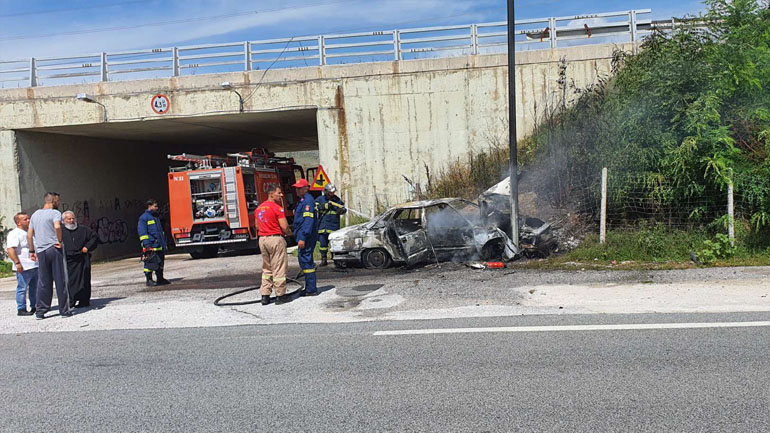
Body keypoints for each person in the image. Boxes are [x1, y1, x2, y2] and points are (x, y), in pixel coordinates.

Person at [27, 192, 71, 319]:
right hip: (53, 248)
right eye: (58, 200)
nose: (59, 203)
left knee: (43, 281)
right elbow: (57, 227)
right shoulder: (55, 213)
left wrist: (31, 251)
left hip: (41, 250)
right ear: (53, 201)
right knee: (61, 279)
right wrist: (60, 241)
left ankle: (40, 311)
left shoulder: (35, 215)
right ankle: (64, 310)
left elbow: (29, 235)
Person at [256, 185, 293, 305]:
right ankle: (280, 295)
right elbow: (285, 227)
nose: (281, 195)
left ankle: (265, 295)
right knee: (279, 268)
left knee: (267, 268)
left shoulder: (259, 208)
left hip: (262, 239)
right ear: (271, 194)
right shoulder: (278, 208)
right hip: (275, 239)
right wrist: (291, 234)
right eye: (279, 193)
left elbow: (257, 226)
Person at [62, 211, 98, 308]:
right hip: (68, 260)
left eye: (73, 218)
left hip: (82, 259)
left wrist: (87, 247)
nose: (71, 220)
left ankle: (84, 300)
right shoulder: (60, 231)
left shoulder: (83, 229)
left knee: (84, 280)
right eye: (69, 219)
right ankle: (71, 301)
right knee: (69, 281)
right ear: (64, 221)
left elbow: (94, 237)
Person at [5, 212, 38, 316]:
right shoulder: (14, 233)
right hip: (24, 266)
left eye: (28, 218)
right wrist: (17, 263)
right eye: (25, 219)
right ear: (18, 222)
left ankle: (35, 306)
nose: (28, 220)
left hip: (35, 265)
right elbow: (11, 249)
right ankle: (21, 308)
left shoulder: (29, 232)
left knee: (35, 288)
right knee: (22, 288)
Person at [292, 178, 318, 296]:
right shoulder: (302, 200)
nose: (297, 190)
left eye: (299, 188)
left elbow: (308, 222)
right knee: (304, 260)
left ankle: (311, 289)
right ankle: (309, 287)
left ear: (306, 189)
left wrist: (303, 237)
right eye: (296, 188)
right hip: (302, 235)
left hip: (306, 236)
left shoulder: (308, 202)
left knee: (307, 261)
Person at [137, 199, 170, 287]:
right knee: (150, 263)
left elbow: (159, 231)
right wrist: (147, 244)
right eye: (155, 206)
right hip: (151, 245)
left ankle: (160, 278)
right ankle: (149, 280)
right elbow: (142, 232)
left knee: (160, 263)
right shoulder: (144, 218)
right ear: (149, 206)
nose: (157, 208)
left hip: (159, 245)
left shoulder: (156, 217)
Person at [315, 183, 347, 267]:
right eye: (330, 192)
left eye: (333, 192)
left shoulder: (337, 200)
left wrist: (342, 211)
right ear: (326, 192)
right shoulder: (320, 199)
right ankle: (323, 259)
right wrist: (325, 206)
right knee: (323, 245)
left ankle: (335, 259)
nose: (332, 194)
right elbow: (315, 208)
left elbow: (342, 207)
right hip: (323, 225)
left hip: (333, 226)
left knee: (334, 244)